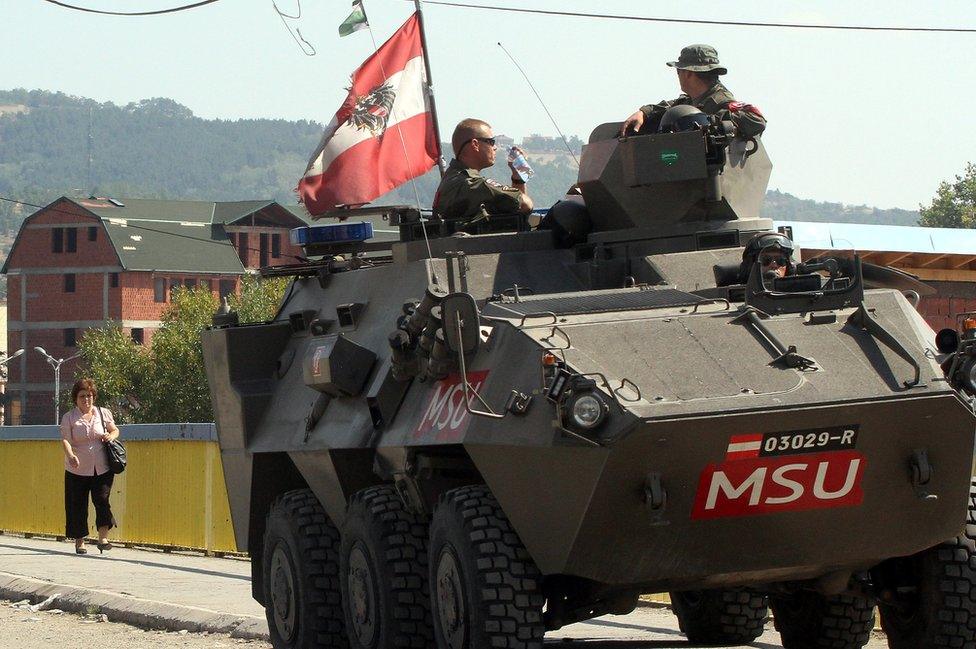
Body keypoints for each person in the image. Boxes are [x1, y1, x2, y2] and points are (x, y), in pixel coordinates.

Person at [619, 44, 766, 140]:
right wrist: (644, 112)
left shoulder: (721, 101)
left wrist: (710, 121)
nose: (677, 75)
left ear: (689, 73)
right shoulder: (693, 99)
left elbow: (757, 119)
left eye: (679, 71)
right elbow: (674, 108)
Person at [432, 118, 533, 229]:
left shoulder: (452, 177)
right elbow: (526, 205)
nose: (495, 148)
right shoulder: (473, 183)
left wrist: (517, 176)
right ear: (475, 144)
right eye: (491, 142)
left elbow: (517, 209)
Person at [61, 378, 121, 555]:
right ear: (76, 398)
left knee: (102, 500)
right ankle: (80, 541)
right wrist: (70, 455)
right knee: (77, 504)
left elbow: (114, 430)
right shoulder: (69, 417)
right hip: (77, 468)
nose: (86, 399)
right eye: (82, 396)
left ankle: (103, 538)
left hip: (101, 467)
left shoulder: (103, 413)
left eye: (89, 395)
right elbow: (65, 439)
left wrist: (111, 436)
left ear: (93, 397)